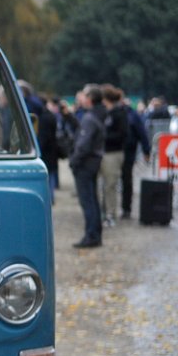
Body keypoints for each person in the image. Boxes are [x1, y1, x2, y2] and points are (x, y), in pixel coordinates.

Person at [69, 84, 106, 249]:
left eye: (84, 95)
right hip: (93, 162)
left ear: (90, 99)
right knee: (93, 199)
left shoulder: (89, 118)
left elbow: (83, 144)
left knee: (88, 201)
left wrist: (74, 160)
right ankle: (95, 233)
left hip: (85, 164)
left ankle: (91, 235)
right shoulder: (97, 115)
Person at [100, 84, 128, 226]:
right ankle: (105, 211)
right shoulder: (106, 113)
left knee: (110, 185)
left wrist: (103, 137)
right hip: (105, 152)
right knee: (104, 185)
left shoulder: (119, 113)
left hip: (113, 153)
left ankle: (110, 213)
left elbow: (122, 134)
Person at [121, 97, 151, 219]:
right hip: (126, 151)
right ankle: (125, 208)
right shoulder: (132, 115)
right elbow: (142, 133)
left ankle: (126, 208)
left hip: (127, 152)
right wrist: (146, 150)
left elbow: (142, 133)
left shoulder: (132, 116)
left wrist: (146, 150)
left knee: (126, 181)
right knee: (125, 181)